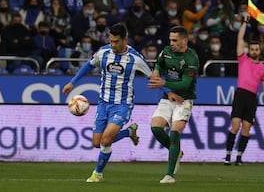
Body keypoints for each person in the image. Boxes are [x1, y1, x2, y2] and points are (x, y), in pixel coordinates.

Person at [62, 23, 182, 182]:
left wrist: (169, 92)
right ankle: (128, 132)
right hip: (103, 103)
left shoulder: (135, 58)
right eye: (111, 41)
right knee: (97, 143)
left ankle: (97, 174)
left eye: (116, 41)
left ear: (125, 39)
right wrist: (72, 82)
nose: (113, 45)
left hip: (122, 105)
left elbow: (153, 78)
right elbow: (88, 65)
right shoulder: (103, 52)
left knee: (106, 140)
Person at [148, 26, 199, 184]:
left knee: (175, 131)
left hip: (184, 100)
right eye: (170, 39)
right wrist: (156, 71)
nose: (171, 43)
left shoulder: (192, 59)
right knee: (156, 128)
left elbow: (185, 84)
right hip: (167, 98)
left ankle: (169, 175)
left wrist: (163, 82)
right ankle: (176, 152)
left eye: (175, 40)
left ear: (184, 41)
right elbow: (159, 63)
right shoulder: (167, 51)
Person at [224, 13, 264, 166]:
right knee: (235, 125)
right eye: (252, 49)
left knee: (246, 128)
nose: (255, 51)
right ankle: (228, 155)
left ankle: (239, 157)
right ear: (249, 50)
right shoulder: (243, 59)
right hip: (240, 95)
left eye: (257, 49)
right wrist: (245, 22)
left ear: (260, 50)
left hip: (252, 98)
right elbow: (239, 39)